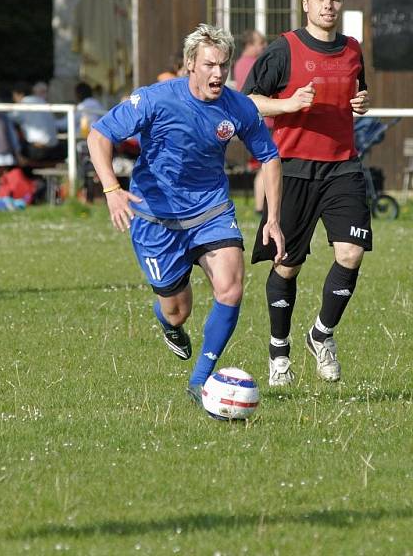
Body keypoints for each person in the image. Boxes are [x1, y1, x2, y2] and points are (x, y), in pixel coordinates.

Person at [87, 23, 284, 405]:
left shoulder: (237, 106)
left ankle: (201, 381)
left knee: (231, 286)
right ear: (190, 64)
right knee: (178, 311)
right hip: (155, 217)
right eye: (210, 65)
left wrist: (272, 217)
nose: (218, 74)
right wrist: (112, 190)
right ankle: (169, 325)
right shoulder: (155, 99)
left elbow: (270, 157)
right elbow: (99, 135)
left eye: (224, 66)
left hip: (211, 209)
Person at [243, 0, 370, 387]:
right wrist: (287, 103)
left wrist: (360, 103)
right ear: (305, 5)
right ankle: (279, 350)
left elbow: (357, 93)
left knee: (351, 253)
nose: (328, 6)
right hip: (293, 168)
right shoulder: (283, 49)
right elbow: (247, 100)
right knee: (287, 264)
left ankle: (322, 335)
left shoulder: (353, 49)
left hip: (343, 166)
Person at [233, 29, 269, 215]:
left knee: (264, 165)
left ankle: (260, 205)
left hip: (250, 119)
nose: (264, 46)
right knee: (268, 162)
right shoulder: (254, 64)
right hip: (263, 119)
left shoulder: (239, 64)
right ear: (250, 44)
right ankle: (260, 206)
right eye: (260, 42)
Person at [10, 81, 60, 162]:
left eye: (14, 96)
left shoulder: (22, 105)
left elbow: (8, 120)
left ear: (20, 94)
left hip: (37, 151)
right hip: (55, 149)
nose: (13, 99)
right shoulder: (42, 102)